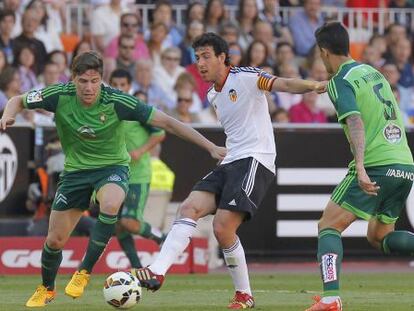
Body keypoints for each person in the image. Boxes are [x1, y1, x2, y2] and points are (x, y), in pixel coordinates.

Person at [0, 51, 226, 308]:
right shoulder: (58, 95)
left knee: (110, 205)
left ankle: (83, 271)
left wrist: (210, 146)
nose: (88, 87)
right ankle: (47, 288)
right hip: (75, 172)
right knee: (54, 241)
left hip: (112, 168)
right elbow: (18, 100)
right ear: (73, 79)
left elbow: (167, 122)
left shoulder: (117, 101)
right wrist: (8, 114)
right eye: (83, 81)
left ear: (101, 80)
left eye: (94, 81)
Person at [131, 32, 326, 309]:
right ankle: (158, 271)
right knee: (188, 208)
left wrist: (314, 84)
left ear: (223, 57)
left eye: (206, 56)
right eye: (197, 57)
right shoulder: (212, 94)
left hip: (255, 160)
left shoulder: (246, 76)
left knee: (223, 228)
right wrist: (217, 150)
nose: (200, 63)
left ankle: (244, 295)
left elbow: (282, 83)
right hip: (231, 159)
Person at [305, 22, 414, 311]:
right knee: (379, 236)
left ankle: (330, 299)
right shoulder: (371, 71)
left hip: (377, 164)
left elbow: (354, 120)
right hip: (404, 163)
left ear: (324, 52)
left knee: (328, 226)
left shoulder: (339, 80)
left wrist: (362, 168)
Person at [109, 68, 167, 269]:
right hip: (115, 176)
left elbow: (159, 133)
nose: (118, 88)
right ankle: (137, 267)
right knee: (118, 226)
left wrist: (140, 151)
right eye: (115, 84)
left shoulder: (136, 108)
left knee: (129, 222)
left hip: (137, 175)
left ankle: (163, 238)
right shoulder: (107, 110)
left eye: (122, 85)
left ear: (129, 86)